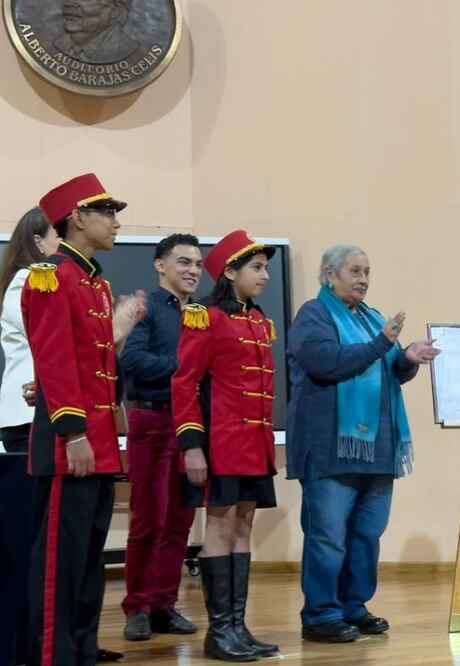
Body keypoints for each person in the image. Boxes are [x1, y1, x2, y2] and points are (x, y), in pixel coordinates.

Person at [23, 173, 146, 665]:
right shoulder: (51, 276)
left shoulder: (96, 283)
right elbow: (54, 361)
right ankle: (54, 654)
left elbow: (96, 363)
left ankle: (81, 646)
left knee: (90, 556)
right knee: (60, 559)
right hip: (69, 444)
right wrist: (73, 433)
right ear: (77, 217)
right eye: (107, 213)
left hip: (98, 442)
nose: (116, 223)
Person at [286, 244, 437, 643]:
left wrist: (407, 356)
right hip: (329, 449)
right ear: (329, 275)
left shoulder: (371, 319)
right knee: (328, 536)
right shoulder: (314, 315)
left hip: (378, 449)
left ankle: (353, 606)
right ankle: (321, 614)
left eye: (367, 272)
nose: (363, 279)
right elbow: (327, 362)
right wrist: (382, 345)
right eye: (354, 271)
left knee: (367, 534)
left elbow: (390, 370)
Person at [172, 230, 279, 661]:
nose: (265, 275)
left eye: (266, 268)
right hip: (221, 443)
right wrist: (192, 446)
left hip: (255, 445)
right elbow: (185, 383)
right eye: (256, 267)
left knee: (243, 527)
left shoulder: (259, 321)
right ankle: (218, 632)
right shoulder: (206, 317)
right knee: (219, 527)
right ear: (230, 272)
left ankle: (237, 626)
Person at [119, 234, 203, 641]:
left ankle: (164, 605)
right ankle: (137, 607)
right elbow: (132, 359)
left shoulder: (203, 314)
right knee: (147, 520)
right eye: (184, 262)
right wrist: (186, 368)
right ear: (160, 265)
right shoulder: (147, 308)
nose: (193, 270)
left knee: (179, 521)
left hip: (193, 426)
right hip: (152, 420)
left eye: (198, 264)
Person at [1, 207, 60, 453]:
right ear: (38, 242)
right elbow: (45, 335)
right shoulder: (26, 280)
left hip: (50, 410)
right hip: (27, 415)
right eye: (59, 236)